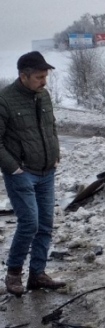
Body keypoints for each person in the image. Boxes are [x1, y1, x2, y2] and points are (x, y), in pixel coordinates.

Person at [0, 51, 65, 297]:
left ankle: (38, 275)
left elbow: (51, 126)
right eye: (39, 77)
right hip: (21, 173)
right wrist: (13, 167)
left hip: (47, 171)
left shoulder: (43, 95)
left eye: (45, 76)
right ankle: (14, 273)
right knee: (30, 223)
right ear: (23, 76)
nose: (44, 81)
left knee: (45, 225)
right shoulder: (4, 100)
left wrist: (55, 152)